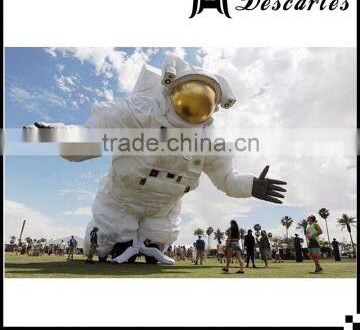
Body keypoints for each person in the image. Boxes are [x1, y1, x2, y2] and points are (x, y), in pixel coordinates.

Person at [25, 54, 287, 266]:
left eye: (203, 99)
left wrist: (251, 185)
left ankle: (148, 243)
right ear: (170, 89)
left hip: (164, 208)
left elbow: (226, 178)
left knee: (155, 245)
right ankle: (111, 240)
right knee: (110, 243)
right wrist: (55, 134)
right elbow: (88, 141)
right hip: (121, 199)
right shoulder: (137, 111)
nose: (193, 104)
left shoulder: (210, 140)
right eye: (188, 93)